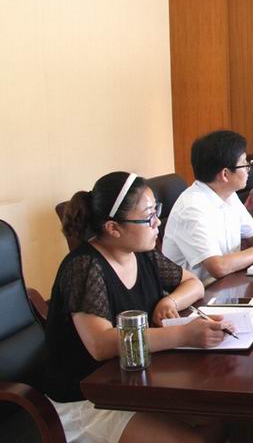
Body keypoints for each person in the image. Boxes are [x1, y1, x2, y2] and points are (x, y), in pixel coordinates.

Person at [46, 171, 227, 443]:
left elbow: (193, 284)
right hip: (87, 398)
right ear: (113, 228)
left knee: (219, 418)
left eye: (157, 211)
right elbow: (101, 343)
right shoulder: (84, 266)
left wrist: (169, 301)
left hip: (133, 380)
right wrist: (182, 334)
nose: (157, 223)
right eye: (149, 216)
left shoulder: (142, 253)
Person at [163, 130, 253, 283]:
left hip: (228, 283)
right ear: (225, 174)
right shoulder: (192, 208)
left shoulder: (228, 195)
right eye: (244, 164)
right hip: (200, 292)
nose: (248, 169)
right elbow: (218, 267)